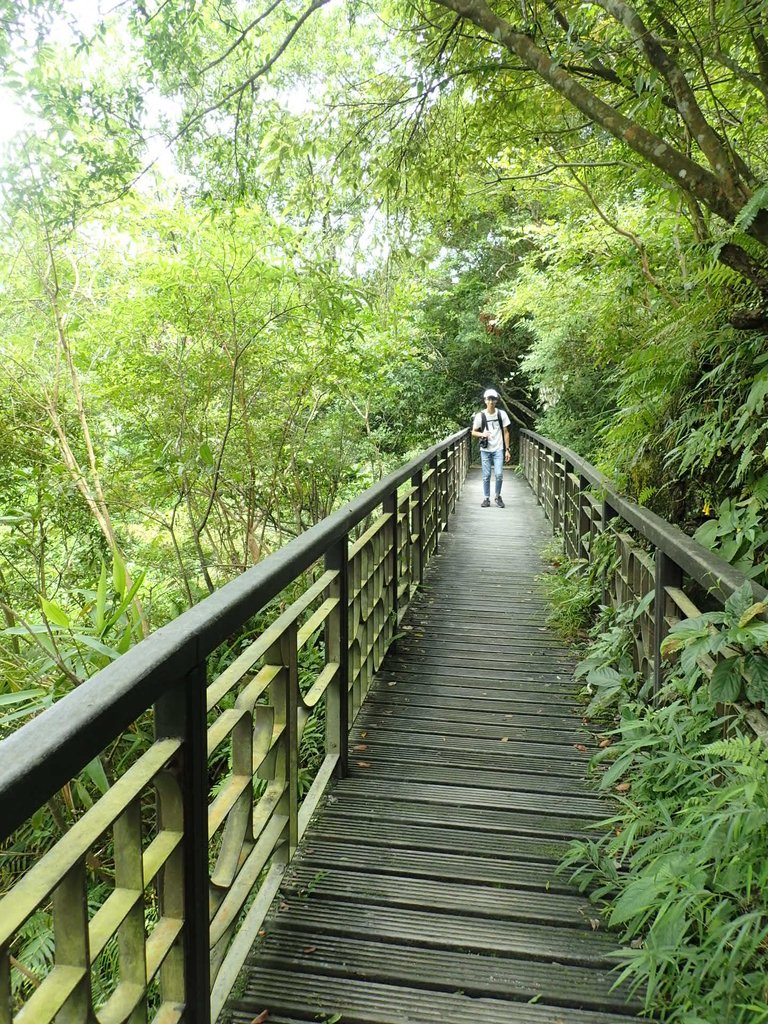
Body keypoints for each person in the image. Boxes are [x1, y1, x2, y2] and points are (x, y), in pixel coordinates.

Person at [471, 388, 511, 507]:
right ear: (485, 400)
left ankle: (497, 496)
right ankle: (486, 498)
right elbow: (473, 432)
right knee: (486, 475)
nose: (491, 401)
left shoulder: (501, 414)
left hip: (498, 448)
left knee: (499, 474)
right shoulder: (480, 416)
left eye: (493, 399)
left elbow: (506, 432)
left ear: (496, 400)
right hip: (485, 450)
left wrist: (507, 450)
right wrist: (482, 434)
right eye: (489, 399)